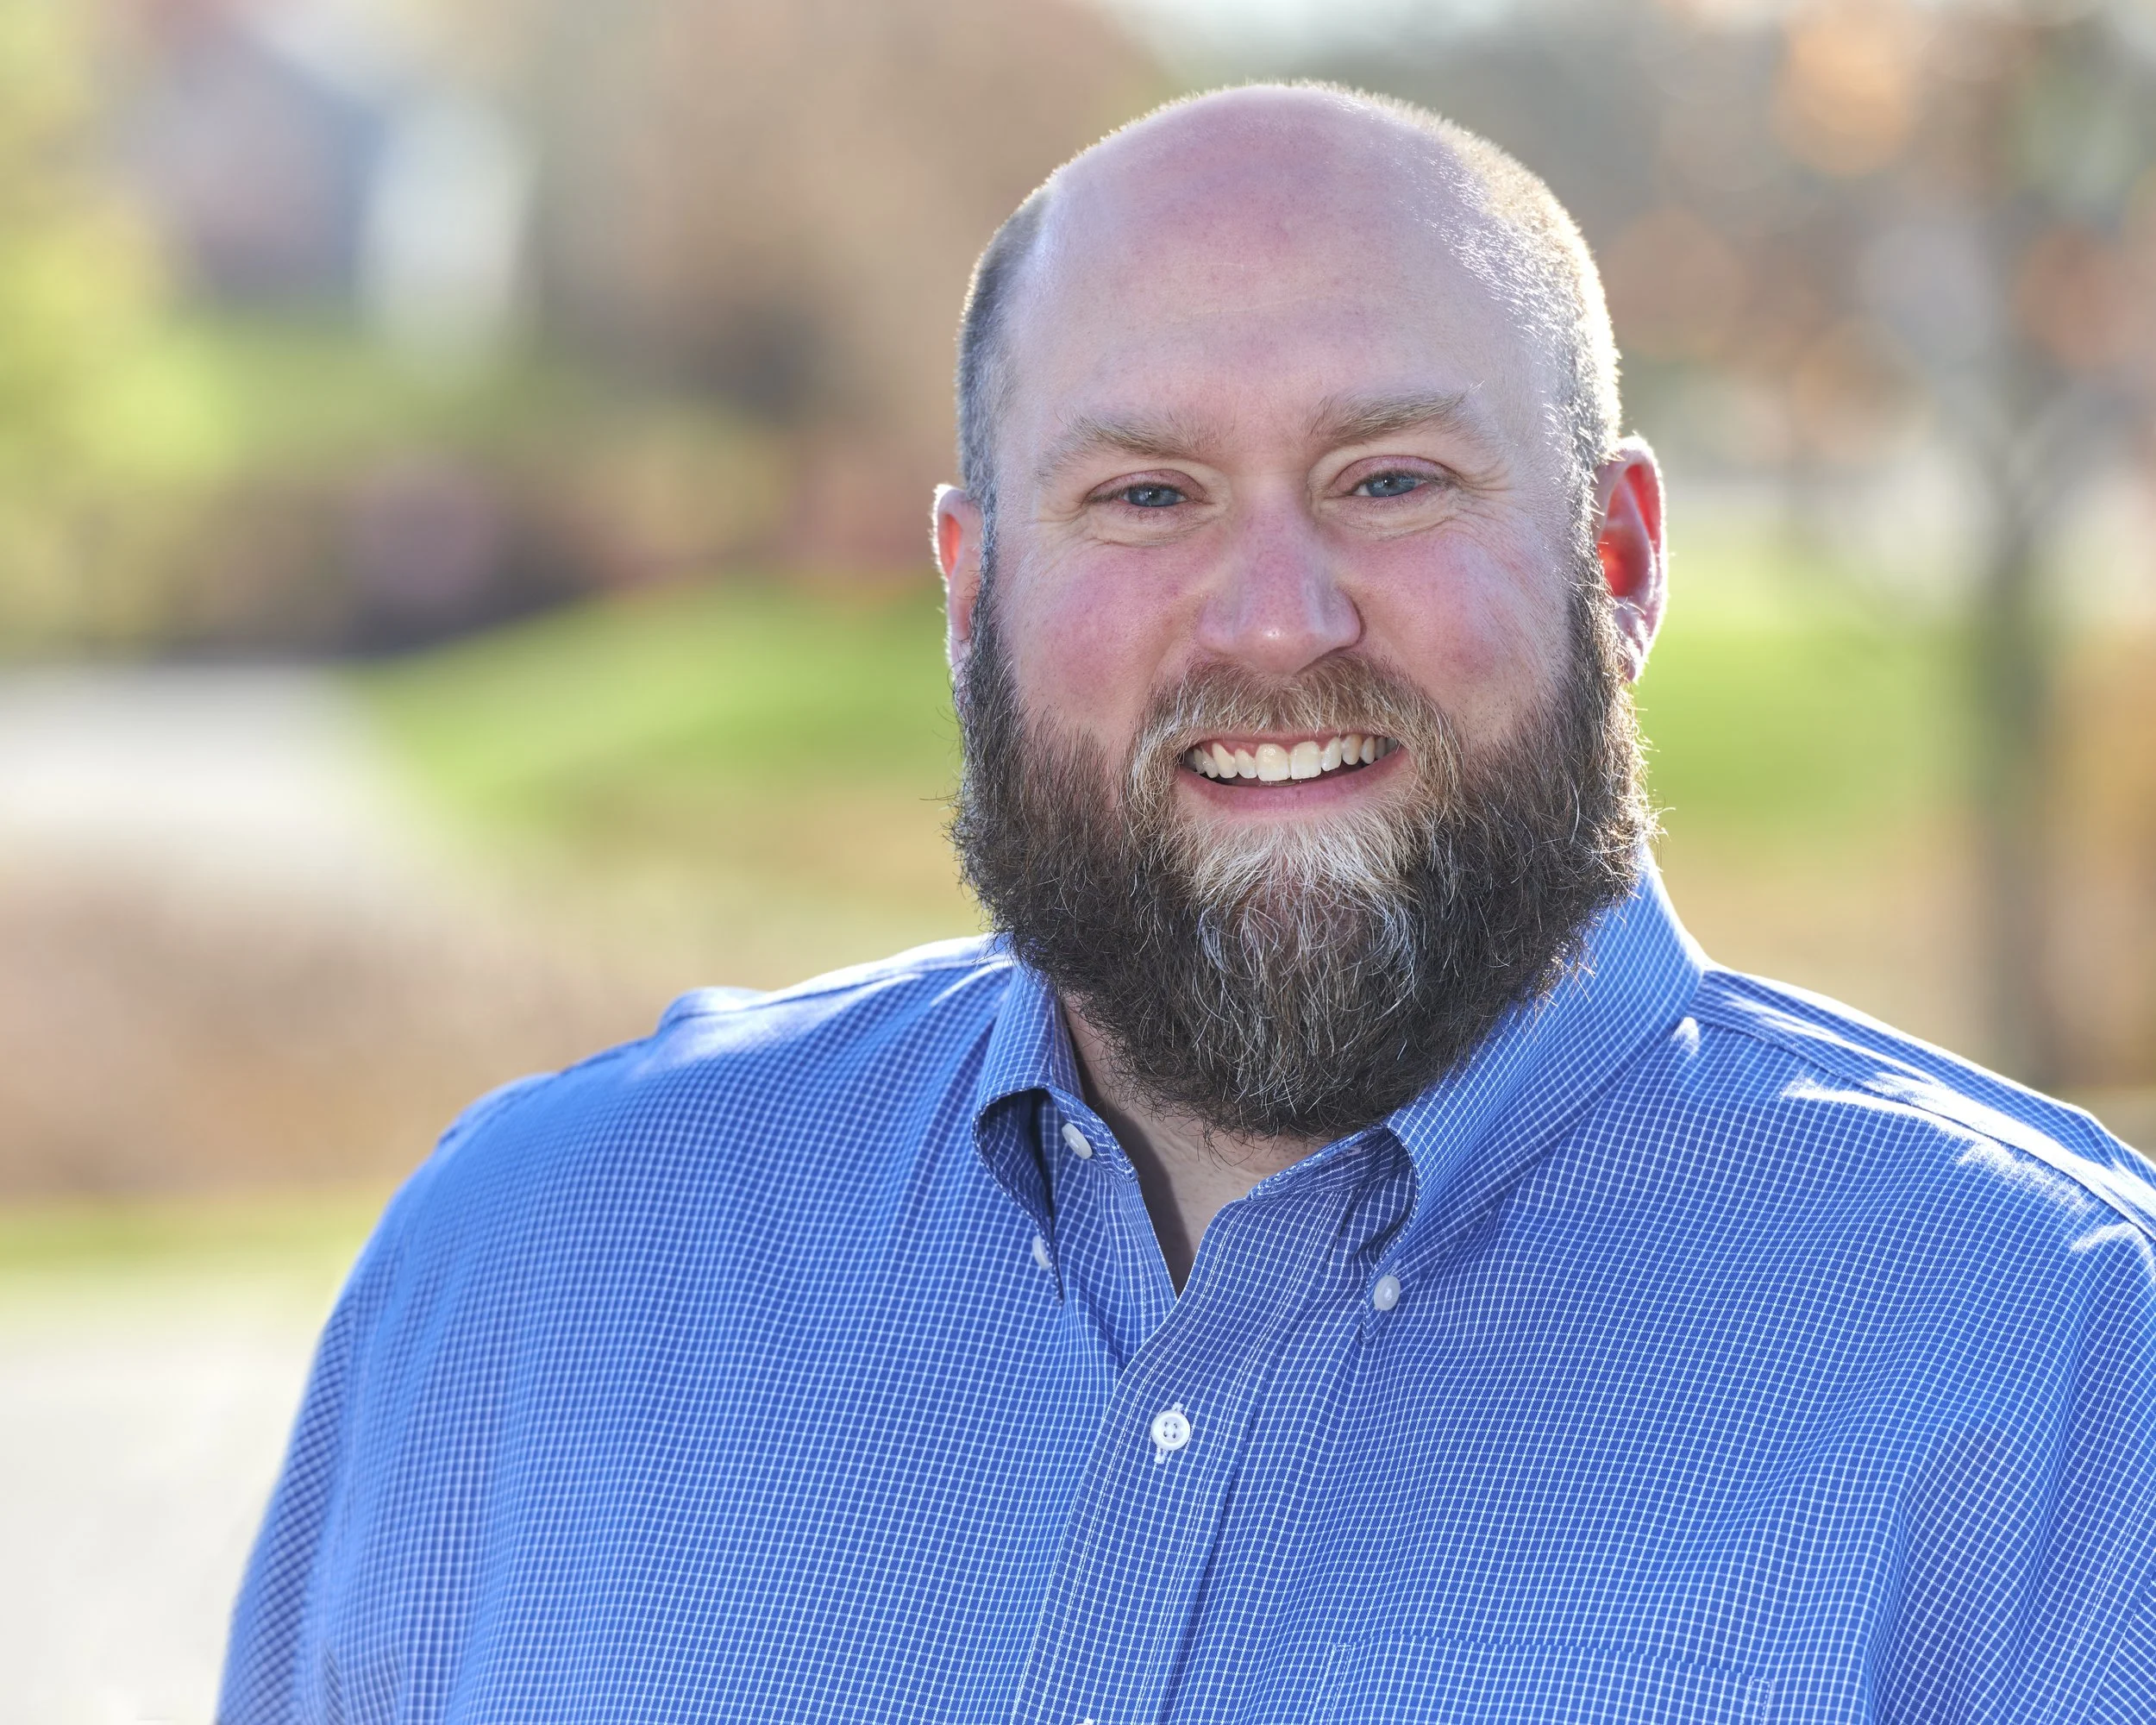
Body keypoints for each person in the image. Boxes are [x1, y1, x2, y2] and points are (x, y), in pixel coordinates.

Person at [222, 85, 2156, 1723]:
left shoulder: (2069, 1374)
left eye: (1388, 480)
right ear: (973, 590)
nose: (1272, 621)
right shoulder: (524, 1283)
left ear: (1619, 555)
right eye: (1142, 498)